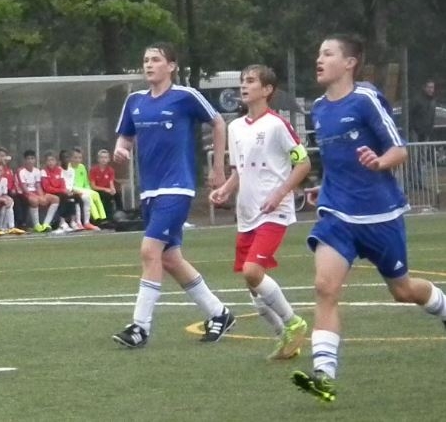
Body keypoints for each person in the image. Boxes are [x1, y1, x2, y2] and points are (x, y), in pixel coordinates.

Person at [290, 35, 446, 403]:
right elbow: (337, 160)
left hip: (380, 214)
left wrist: (379, 163)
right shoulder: (318, 108)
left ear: (350, 63)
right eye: (318, 53)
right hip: (336, 213)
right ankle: (323, 375)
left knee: (402, 291)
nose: (319, 59)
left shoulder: (366, 99)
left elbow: (399, 150)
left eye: (328, 53)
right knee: (325, 287)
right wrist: (325, 187)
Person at [111, 42, 235, 348]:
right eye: (146, 60)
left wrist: (218, 168)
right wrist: (121, 149)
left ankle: (140, 327)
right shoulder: (135, 101)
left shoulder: (185, 96)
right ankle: (219, 313)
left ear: (171, 66)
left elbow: (218, 122)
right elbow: (125, 138)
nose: (149, 64)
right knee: (169, 258)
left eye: (155, 59)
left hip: (177, 187)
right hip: (149, 191)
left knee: (149, 251)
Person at [208, 64, 310, 360]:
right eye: (243, 80)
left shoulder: (277, 125)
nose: (244, 85)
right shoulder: (235, 127)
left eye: (251, 81)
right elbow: (239, 170)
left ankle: (293, 322)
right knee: (252, 284)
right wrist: (226, 189)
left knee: (253, 271)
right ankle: (283, 338)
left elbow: (303, 163)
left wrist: (280, 193)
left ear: (267, 90)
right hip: (247, 213)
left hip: (274, 211)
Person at [17, 149, 59, 232]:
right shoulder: (21, 171)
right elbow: (24, 188)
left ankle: (46, 224)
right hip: (26, 194)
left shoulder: (37, 171)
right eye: (28, 159)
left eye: (32, 158)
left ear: (35, 160)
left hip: (36, 193)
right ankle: (36, 225)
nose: (30, 161)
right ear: (25, 160)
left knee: (55, 199)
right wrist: (36, 197)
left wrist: (41, 196)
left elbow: (38, 185)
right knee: (34, 200)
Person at [0, 163, 24, 236]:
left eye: (0, 170)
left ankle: (11, 227)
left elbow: (4, 194)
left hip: (0, 198)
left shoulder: (4, 180)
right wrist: (3, 199)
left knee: (10, 201)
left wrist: (7, 199)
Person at [71, 148, 103, 229]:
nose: (77, 160)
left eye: (79, 158)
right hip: (73, 190)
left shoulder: (82, 167)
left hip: (83, 191)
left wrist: (88, 189)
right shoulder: (68, 168)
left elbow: (86, 183)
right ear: (71, 158)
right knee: (88, 195)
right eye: (75, 157)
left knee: (90, 196)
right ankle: (95, 218)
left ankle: (88, 222)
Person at [89, 149, 122, 220]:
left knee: (117, 194)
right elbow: (93, 186)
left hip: (107, 190)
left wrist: (112, 189)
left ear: (108, 159)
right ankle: (106, 217)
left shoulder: (110, 170)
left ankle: (120, 214)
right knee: (106, 196)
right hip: (97, 190)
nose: (103, 159)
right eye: (101, 157)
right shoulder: (93, 170)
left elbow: (111, 183)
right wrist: (105, 189)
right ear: (98, 159)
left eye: (105, 157)